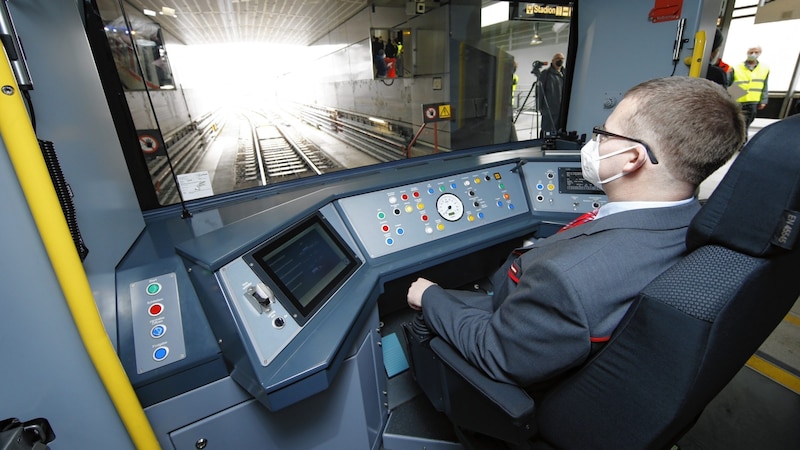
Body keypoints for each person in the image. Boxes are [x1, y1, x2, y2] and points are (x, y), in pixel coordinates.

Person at [406, 77, 745, 388]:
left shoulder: (564, 280)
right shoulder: (695, 226)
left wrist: (431, 297)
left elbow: (498, 352)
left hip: (513, 341)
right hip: (544, 325)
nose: (595, 142)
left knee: (425, 301)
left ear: (631, 158)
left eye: (604, 134)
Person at [732, 45, 770, 133]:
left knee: (746, 125)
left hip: (752, 100)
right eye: (751, 52)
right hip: (737, 99)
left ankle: (742, 142)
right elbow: (729, 83)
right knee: (735, 124)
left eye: (756, 52)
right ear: (747, 53)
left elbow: (765, 85)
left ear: (760, 53)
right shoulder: (736, 67)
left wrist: (763, 100)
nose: (753, 54)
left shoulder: (764, 68)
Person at [533, 53, 565, 137]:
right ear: (553, 60)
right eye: (558, 58)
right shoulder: (546, 74)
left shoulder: (564, 74)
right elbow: (539, 91)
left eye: (562, 58)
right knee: (546, 130)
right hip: (549, 109)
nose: (560, 60)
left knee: (558, 131)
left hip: (561, 110)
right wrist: (539, 107)